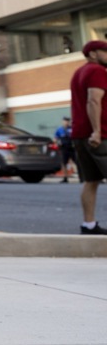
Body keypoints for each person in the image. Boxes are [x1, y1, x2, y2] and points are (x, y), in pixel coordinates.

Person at [69, 40, 107, 235]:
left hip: (80, 134)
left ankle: (89, 225)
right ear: (93, 54)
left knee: (91, 180)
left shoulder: (78, 73)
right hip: (99, 135)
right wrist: (97, 132)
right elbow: (93, 100)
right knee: (93, 180)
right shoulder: (97, 71)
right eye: (105, 51)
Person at [55, 115, 75, 183]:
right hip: (64, 148)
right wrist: (58, 143)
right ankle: (65, 178)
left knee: (77, 162)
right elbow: (56, 138)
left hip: (72, 148)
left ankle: (82, 177)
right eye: (65, 121)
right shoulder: (59, 129)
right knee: (64, 163)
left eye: (67, 121)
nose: (66, 122)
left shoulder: (72, 128)